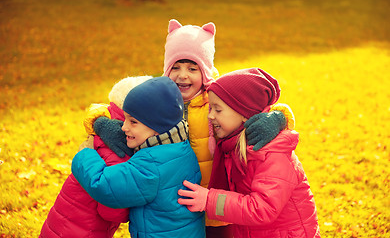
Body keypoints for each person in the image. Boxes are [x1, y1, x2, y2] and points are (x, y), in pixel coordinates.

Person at [82, 19, 292, 238]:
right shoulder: (155, 99)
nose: (183, 75)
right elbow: (108, 108)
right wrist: (100, 122)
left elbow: (258, 106)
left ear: (206, 71)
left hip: (217, 205)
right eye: (176, 67)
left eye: (193, 68)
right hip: (173, 206)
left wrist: (278, 118)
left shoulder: (218, 100)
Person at [177, 68, 321, 238]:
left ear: (244, 114)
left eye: (218, 110)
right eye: (210, 109)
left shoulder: (271, 153)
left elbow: (263, 209)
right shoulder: (232, 145)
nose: (210, 116)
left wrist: (210, 200)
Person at [71, 76, 205, 238]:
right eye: (125, 119)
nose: (124, 127)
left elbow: (103, 186)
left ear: (157, 126)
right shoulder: (181, 146)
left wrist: (84, 154)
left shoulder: (151, 164)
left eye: (133, 122)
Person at [39, 76, 153, 238]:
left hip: (65, 219)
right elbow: (111, 209)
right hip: (85, 229)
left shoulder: (105, 130)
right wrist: (134, 212)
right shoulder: (119, 148)